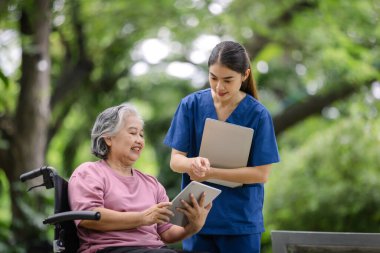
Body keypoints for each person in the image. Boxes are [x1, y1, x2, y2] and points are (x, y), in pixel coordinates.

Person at [163, 41, 280, 253]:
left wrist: (210, 172)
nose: (219, 87)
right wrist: (192, 163)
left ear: (245, 75)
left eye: (228, 80)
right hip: (197, 219)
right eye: (213, 78)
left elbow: (261, 174)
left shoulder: (258, 115)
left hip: (240, 223)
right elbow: (175, 161)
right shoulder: (190, 106)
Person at [68, 103, 212, 253]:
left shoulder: (152, 184)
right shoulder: (89, 172)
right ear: (109, 138)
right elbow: (88, 217)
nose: (139, 140)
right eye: (132, 133)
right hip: (109, 249)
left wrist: (192, 226)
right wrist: (143, 218)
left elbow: (167, 233)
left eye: (141, 135)